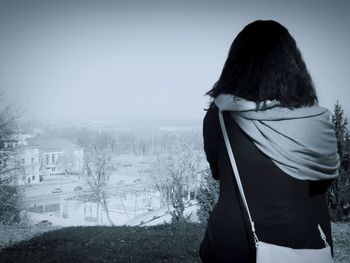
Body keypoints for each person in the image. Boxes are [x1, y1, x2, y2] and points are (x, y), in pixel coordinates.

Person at [199, 20, 340, 263]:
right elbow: (323, 181)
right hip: (306, 245)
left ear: (236, 65)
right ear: (294, 67)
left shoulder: (219, 118)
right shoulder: (316, 121)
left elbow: (218, 173)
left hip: (232, 247)